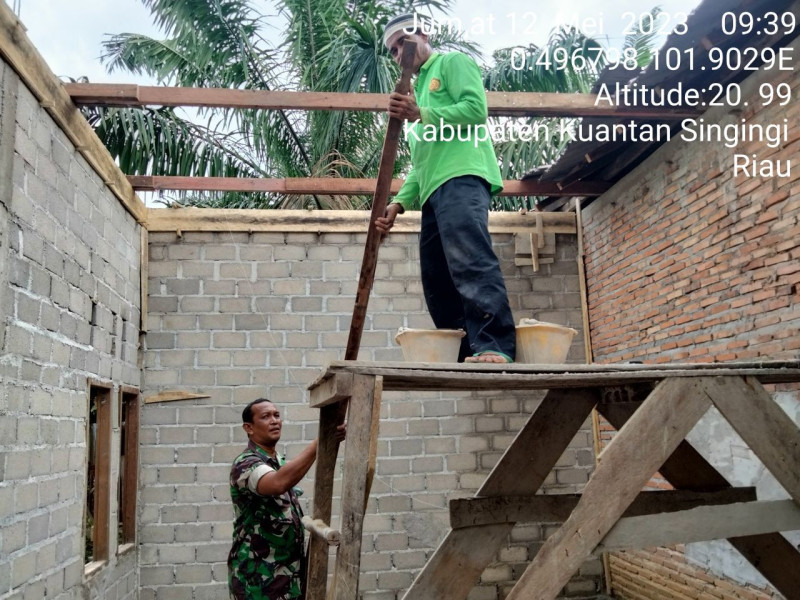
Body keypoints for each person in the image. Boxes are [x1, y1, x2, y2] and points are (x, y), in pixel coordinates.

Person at [375, 13, 516, 364]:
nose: (398, 53)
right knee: (437, 277)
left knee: (471, 263)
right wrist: (398, 204)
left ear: (422, 34)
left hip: (463, 176)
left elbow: (475, 109)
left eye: (402, 43)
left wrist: (421, 113)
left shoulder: (452, 62)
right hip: (434, 189)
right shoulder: (416, 90)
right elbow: (421, 161)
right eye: (392, 51)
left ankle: (495, 346)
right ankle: (469, 351)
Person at [228, 398, 346, 600]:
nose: (274, 421)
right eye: (265, 417)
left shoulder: (278, 462)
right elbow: (277, 483)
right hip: (258, 583)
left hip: (288, 579)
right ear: (249, 428)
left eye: (276, 415)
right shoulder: (245, 464)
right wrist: (320, 441)